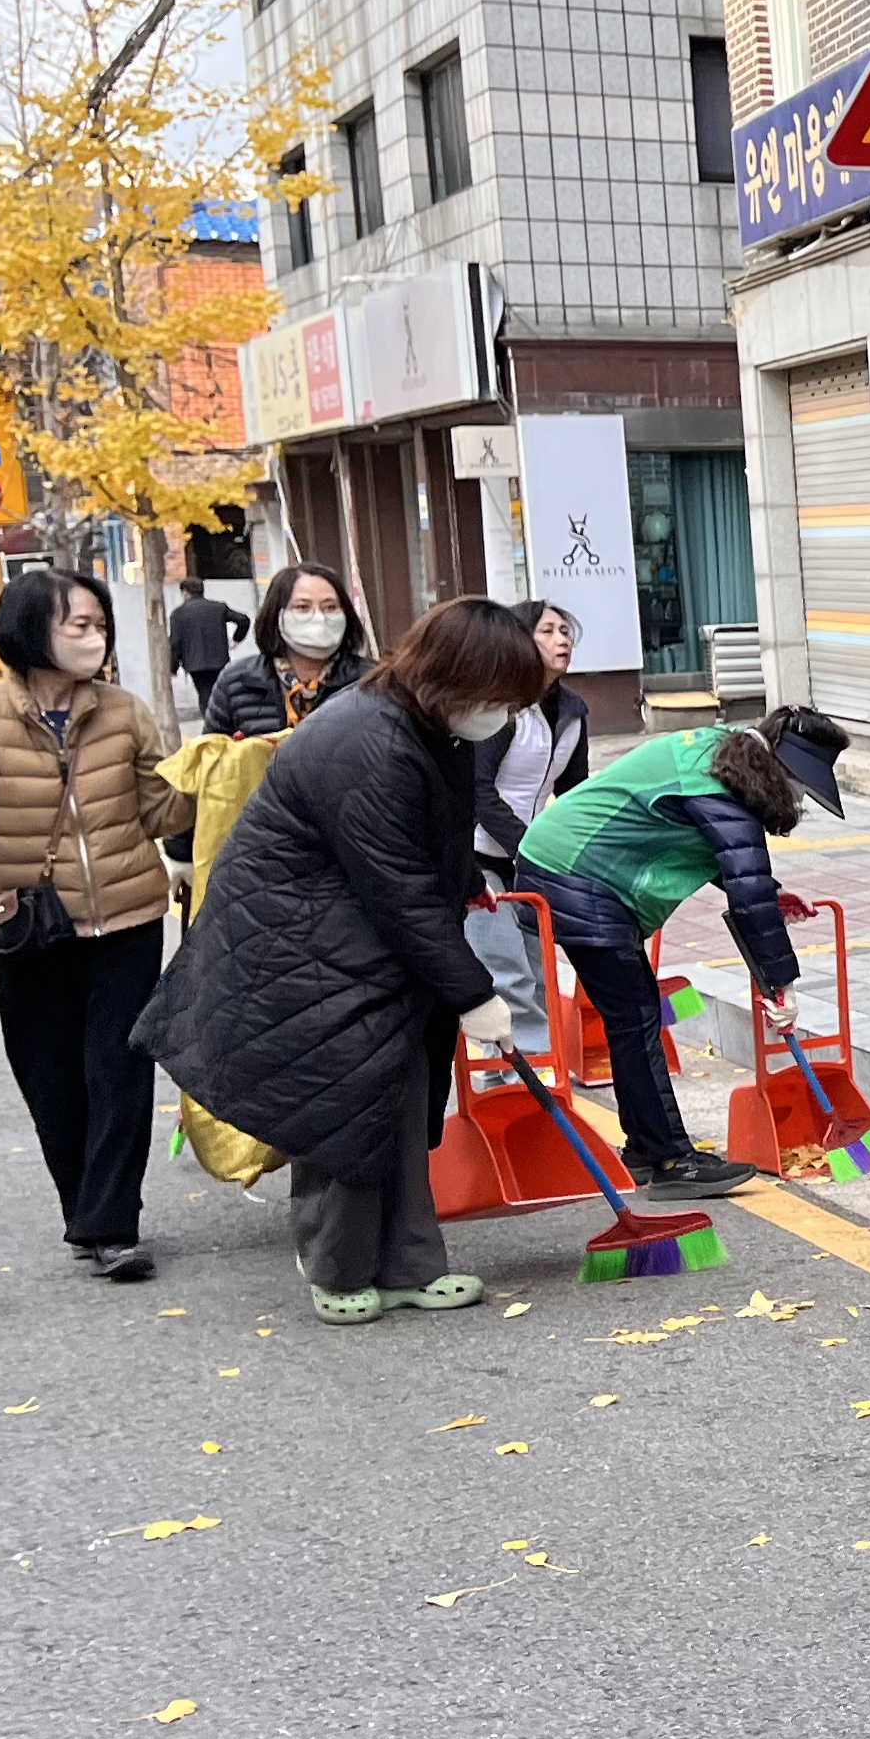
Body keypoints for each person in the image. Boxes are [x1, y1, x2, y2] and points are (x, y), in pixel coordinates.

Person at [133, 597, 551, 1321]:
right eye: (495, 698)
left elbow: (434, 843)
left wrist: (466, 891)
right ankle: (339, 1270)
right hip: (300, 944)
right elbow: (398, 890)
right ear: (452, 677)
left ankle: (411, 1266)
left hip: (360, 936)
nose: (501, 715)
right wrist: (472, 991)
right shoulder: (368, 741)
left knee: (404, 1093)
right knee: (347, 1102)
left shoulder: (432, 723)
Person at [0, 569, 194, 1283]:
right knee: (51, 1077)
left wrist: (211, 777)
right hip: (30, 928)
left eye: (101, 627)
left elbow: (159, 812)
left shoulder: (125, 713)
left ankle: (111, 1225)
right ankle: (84, 1210)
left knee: (120, 1068)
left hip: (127, 918)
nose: (96, 639)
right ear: (33, 629)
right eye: (79, 626)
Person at [513, 704, 851, 1199]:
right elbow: (745, 887)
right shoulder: (723, 790)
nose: (798, 799)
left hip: (567, 867)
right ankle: (671, 1159)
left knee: (633, 1018)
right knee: (635, 1016)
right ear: (779, 771)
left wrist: (768, 894)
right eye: (800, 787)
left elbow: (733, 865)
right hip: (574, 878)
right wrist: (782, 989)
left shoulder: (722, 754)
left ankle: (647, 1151)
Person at [466, 600, 592, 1045]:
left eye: (565, 630)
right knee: (506, 969)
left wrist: (580, 853)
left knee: (539, 968)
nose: (563, 640)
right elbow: (479, 792)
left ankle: (540, 1071)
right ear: (519, 640)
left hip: (528, 858)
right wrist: (527, 846)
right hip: (478, 856)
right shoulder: (500, 707)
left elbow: (577, 794)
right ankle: (509, 1081)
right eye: (548, 631)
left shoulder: (573, 710)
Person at [202, 561, 368, 735]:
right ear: (277, 615)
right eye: (303, 607)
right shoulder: (236, 681)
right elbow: (210, 754)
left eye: (330, 607)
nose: (320, 618)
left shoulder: (373, 681)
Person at [165, 578, 247, 719]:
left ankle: (211, 724)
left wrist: (173, 667)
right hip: (219, 660)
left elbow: (175, 643)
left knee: (205, 695)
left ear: (185, 593)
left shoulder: (178, 614)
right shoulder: (218, 608)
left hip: (195, 664)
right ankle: (226, 721)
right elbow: (243, 620)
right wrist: (237, 638)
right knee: (221, 693)